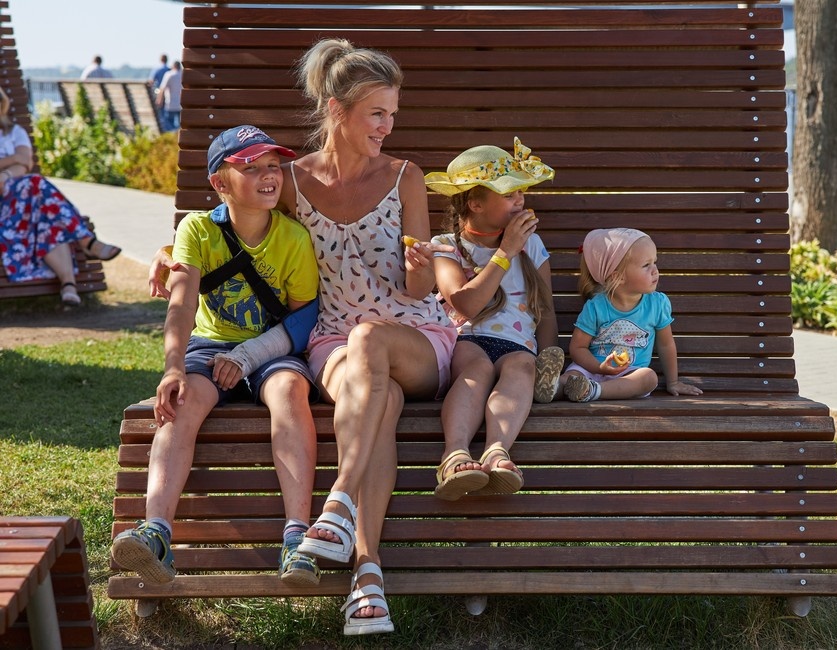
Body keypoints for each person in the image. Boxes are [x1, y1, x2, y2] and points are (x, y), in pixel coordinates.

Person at [148, 38, 457, 636]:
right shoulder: (289, 180)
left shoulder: (407, 178)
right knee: (378, 399)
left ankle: (337, 501)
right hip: (332, 344)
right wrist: (168, 252)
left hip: (414, 335)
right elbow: (230, 221)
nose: (388, 127)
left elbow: (422, 289)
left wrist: (421, 271)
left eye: (393, 114)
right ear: (337, 111)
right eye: (377, 113)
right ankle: (367, 573)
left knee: (372, 341)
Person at [111, 125, 323, 589]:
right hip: (209, 347)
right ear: (220, 184)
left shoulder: (293, 238)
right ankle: (157, 533)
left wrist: (252, 354)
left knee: (290, 389)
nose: (269, 176)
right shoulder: (197, 229)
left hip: (270, 350)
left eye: (273, 167)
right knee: (181, 403)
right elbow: (182, 302)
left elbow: (304, 320)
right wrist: (172, 367)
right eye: (251, 168)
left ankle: (297, 539)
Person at [424, 138, 564, 501]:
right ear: (475, 202)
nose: (521, 200)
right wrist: (505, 253)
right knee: (478, 372)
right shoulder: (445, 246)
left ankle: (497, 451)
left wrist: (550, 360)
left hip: (519, 344)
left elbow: (545, 309)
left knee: (522, 368)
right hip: (467, 341)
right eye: (509, 193)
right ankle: (454, 454)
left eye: (521, 192)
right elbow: (465, 305)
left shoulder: (532, 245)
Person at [0, 87, 121, 306]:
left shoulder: (13, 132)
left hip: (24, 201)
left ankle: (68, 286)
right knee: (37, 184)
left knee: (48, 219)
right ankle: (86, 242)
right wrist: (11, 166)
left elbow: (24, 160)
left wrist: (6, 175)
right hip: (7, 208)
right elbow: (18, 160)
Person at [553, 228, 704, 402]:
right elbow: (577, 348)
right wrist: (600, 368)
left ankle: (593, 391)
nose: (655, 270)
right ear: (619, 277)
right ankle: (551, 388)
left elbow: (666, 344)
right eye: (646, 265)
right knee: (569, 377)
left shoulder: (657, 304)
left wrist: (673, 382)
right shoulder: (596, 306)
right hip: (591, 369)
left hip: (629, 374)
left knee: (649, 378)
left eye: (655, 262)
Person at [156, 61, 182, 132]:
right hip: (181, 104)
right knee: (180, 124)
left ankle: (173, 136)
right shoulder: (183, 74)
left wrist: (159, 100)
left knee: (169, 124)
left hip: (170, 103)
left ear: (173, 66)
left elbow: (162, 88)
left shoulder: (169, 74)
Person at [148, 54, 170, 129]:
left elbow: (151, 81)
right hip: (167, 93)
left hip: (158, 92)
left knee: (160, 111)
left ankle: (162, 127)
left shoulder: (156, 69)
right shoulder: (169, 69)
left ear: (160, 60)